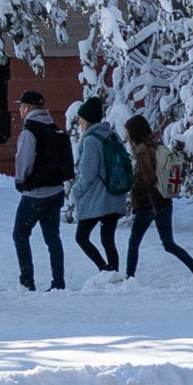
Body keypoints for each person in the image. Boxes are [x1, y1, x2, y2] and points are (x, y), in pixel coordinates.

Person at [122, 115, 193, 282]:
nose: (127, 136)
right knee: (169, 244)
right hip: (164, 201)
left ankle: (129, 277)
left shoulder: (142, 150)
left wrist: (134, 185)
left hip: (148, 202)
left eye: (128, 132)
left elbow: (147, 178)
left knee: (134, 241)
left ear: (134, 132)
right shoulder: (157, 146)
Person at [8, 91, 72, 290]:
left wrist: (21, 181)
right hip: (56, 191)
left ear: (27, 108)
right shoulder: (53, 127)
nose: (19, 110)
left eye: (21, 106)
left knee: (20, 234)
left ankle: (27, 281)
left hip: (35, 193)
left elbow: (24, 160)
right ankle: (58, 281)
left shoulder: (30, 130)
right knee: (53, 237)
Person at [67, 97, 129, 277]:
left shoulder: (91, 140)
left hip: (98, 200)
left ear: (86, 119)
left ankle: (105, 270)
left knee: (81, 237)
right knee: (108, 239)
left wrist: (75, 192)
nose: (78, 121)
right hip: (115, 195)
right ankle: (115, 274)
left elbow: (87, 174)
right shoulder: (112, 136)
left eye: (80, 117)